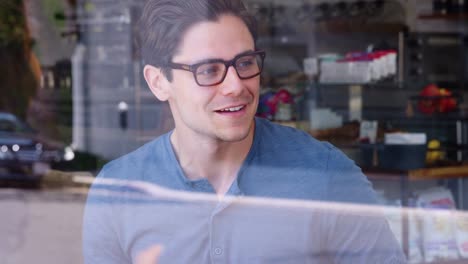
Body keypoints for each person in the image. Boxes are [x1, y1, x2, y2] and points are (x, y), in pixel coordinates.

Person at [83, 0, 407, 263]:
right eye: (209, 70)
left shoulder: (326, 176)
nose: (236, 86)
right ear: (158, 82)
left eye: (245, 63)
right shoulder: (119, 193)